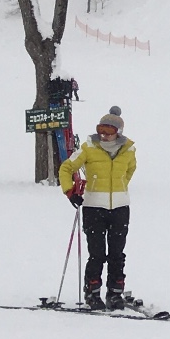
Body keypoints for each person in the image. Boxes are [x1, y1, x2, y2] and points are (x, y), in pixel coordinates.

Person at [60, 107, 138, 310]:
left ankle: (115, 293)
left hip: (120, 208)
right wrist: (70, 191)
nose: (103, 134)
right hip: (94, 208)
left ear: (118, 132)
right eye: (100, 129)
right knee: (97, 254)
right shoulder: (88, 147)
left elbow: (130, 170)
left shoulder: (128, 150)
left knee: (117, 254)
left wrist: (120, 187)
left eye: (108, 131)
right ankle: (92, 293)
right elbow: (66, 168)